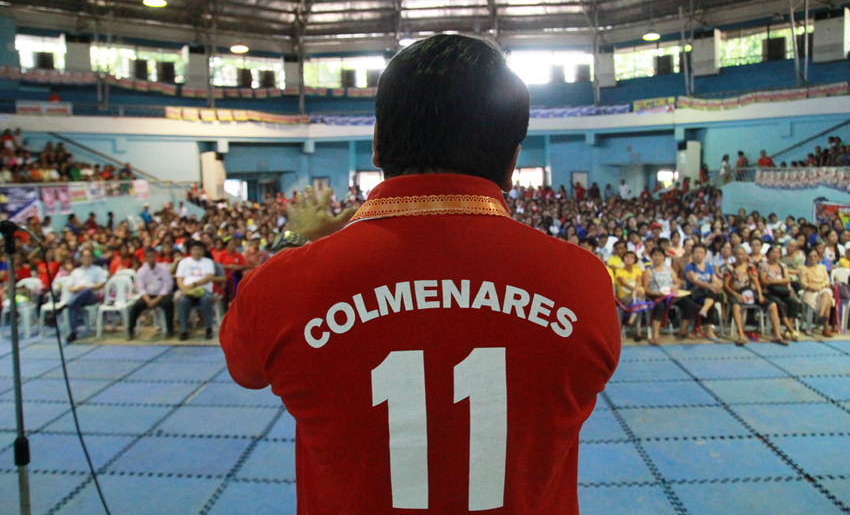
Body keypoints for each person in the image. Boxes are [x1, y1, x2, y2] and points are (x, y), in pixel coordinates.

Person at [220, 34, 620, 514]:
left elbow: (244, 368)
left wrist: (294, 245)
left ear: (376, 145)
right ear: (514, 163)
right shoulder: (583, 284)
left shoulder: (286, 283)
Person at [724, 246, 787, 346]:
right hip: (736, 293)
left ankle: (777, 335)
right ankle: (741, 335)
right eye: (738, 255)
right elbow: (726, 286)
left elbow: (756, 281)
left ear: (745, 255)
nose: (740, 257)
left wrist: (760, 294)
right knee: (736, 307)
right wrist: (736, 294)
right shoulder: (730, 267)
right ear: (734, 255)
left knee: (773, 306)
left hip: (750, 292)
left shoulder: (750, 266)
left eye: (742, 254)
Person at [643, 246, 695, 345]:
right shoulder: (648, 271)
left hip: (671, 294)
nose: (658, 257)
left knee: (689, 304)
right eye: (655, 255)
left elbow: (678, 282)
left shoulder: (668, 269)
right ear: (651, 257)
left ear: (663, 257)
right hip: (656, 294)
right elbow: (646, 289)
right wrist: (657, 293)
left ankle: (683, 329)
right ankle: (655, 334)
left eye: (660, 255)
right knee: (660, 306)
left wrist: (675, 287)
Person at [128, 248, 175, 339]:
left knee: (168, 304)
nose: (151, 258)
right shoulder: (141, 271)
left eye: (152, 256)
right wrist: (148, 301)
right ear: (145, 258)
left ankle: (170, 329)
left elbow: (167, 286)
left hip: (161, 295)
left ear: (156, 256)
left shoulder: (163, 268)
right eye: (148, 257)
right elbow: (141, 288)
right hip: (147, 296)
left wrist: (157, 299)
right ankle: (130, 330)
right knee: (136, 306)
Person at [175, 241, 216, 341]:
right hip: (188, 291)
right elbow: (179, 278)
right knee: (183, 300)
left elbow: (208, 277)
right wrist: (184, 289)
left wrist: (193, 285)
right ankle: (183, 330)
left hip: (204, 289)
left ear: (203, 251)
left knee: (206, 299)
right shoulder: (183, 262)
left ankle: (208, 328)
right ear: (190, 251)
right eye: (195, 249)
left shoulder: (208, 262)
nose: (197, 252)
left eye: (199, 250)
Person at [65, 249, 107, 343]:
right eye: (84, 257)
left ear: (92, 259)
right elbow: (69, 287)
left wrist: (88, 287)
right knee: (73, 305)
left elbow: (102, 284)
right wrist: (78, 288)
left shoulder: (97, 269)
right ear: (80, 259)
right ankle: (73, 333)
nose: (87, 259)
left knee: (86, 290)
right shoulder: (76, 271)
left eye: (89, 257)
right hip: (78, 295)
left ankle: (68, 304)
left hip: (92, 296)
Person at [759, 246, 800, 341]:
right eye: (773, 252)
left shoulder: (782, 266)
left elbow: (787, 280)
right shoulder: (763, 265)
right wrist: (778, 281)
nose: (775, 255)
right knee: (778, 303)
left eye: (777, 253)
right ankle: (791, 329)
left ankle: (787, 330)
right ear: (768, 254)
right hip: (769, 292)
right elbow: (764, 281)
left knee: (793, 302)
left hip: (782, 292)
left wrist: (773, 281)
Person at [684, 244, 722, 341]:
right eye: (696, 252)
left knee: (712, 298)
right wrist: (711, 286)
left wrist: (717, 284)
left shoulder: (709, 266)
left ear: (705, 255)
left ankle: (704, 310)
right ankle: (709, 331)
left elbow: (714, 278)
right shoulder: (690, 266)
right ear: (692, 254)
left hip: (707, 293)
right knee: (712, 295)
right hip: (694, 292)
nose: (699, 255)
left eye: (701, 253)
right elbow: (695, 280)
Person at [799, 248, 835, 337]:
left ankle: (821, 315)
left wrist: (821, 286)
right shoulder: (803, 268)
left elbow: (827, 280)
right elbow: (803, 283)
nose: (813, 258)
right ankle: (825, 327)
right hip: (810, 291)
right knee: (826, 300)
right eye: (810, 256)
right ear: (806, 258)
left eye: (815, 256)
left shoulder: (822, 267)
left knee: (826, 293)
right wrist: (813, 287)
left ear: (819, 257)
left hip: (822, 289)